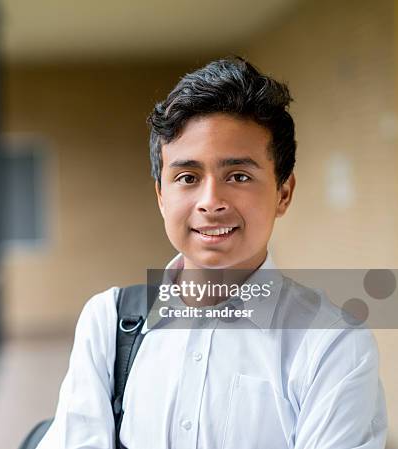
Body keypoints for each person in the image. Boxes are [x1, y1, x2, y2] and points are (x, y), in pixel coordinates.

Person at [35, 57, 387, 449]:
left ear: (283, 193)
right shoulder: (109, 323)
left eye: (238, 176)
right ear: (161, 197)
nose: (211, 201)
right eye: (187, 178)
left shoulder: (332, 344)